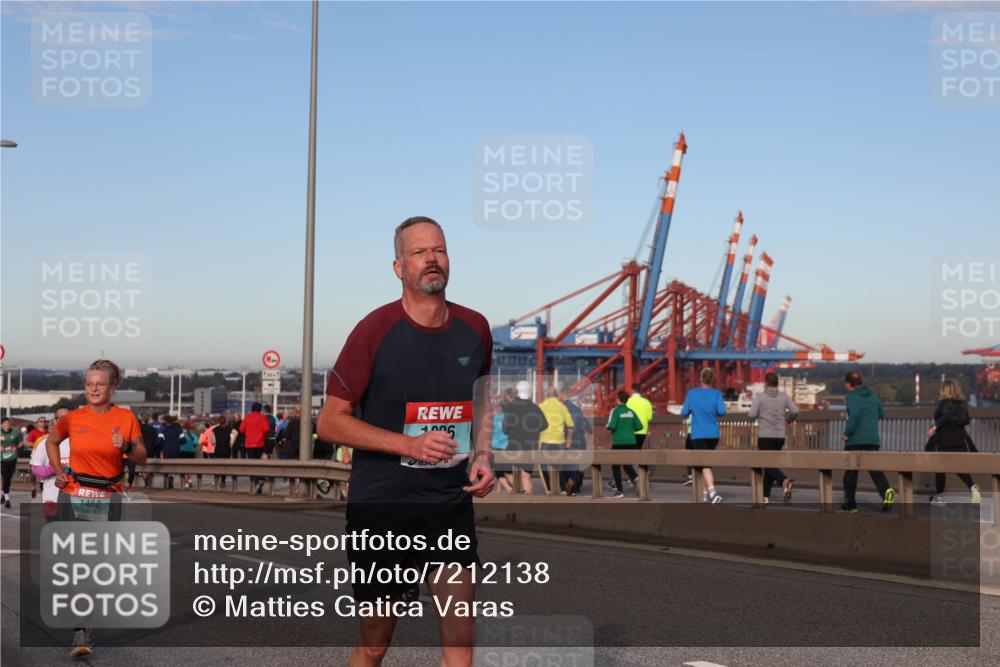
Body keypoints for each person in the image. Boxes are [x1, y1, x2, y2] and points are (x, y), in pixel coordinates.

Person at [316, 216, 494, 666]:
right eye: (419, 252)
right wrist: (407, 445)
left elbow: (482, 400)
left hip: (448, 503)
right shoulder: (374, 329)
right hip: (383, 507)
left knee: (461, 638)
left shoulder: (475, 327)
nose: (432, 259)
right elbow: (330, 423)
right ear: (399, 267)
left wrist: (484, 454)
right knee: (376, 642)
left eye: (439, 249)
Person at [47, 359, 146, 659]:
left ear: (112, 387)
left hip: (107, 497)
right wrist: (58, 471)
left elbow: (142, 457)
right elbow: (52, 442)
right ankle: (81, 628)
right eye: (89, 384)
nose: (93, 389)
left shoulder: (125, 418)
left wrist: (125, 446)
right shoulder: (73, 418)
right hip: (74, 494)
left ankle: (83, 619)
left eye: (99, 384)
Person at [840, 371, 894, 513]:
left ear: (848, 384)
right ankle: (886, 492)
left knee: (851, 473)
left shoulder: (851, 397)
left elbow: (854, 417)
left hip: (855, 440)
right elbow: (881, 414)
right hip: (872, 439)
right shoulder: (873, 395)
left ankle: (850, 505)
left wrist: (846, 434)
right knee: (874, 469)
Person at [926, 380, 981, 506]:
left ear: (944, 390)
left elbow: (945, 417)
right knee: (959, 468)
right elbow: (966, 420)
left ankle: (940, 498)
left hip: (945, 440)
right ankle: (973, 488)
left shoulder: (944, 404)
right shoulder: (962, 404)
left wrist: (934, 428)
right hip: (959, 439)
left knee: (940, 469)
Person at [747, 372, 798, 503]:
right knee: (771, 465)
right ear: (777, 383)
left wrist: (760, 415)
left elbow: (752, 415)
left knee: (767, 464)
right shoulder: (784, 397)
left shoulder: (760, 397)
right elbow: (795, 411)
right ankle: (765, 496)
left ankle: (783, 481)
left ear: (765, 383)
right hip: (780, 437)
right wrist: (788, 420)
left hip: (765, 436)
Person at [680, 367, 726, 504]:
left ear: (700, 379)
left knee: (704, 463)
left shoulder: (692, 393)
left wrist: (694, 410)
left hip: (698, 433)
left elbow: (683, 413)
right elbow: (722, 412)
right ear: (713, 380)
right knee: (706, 463)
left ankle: (712, 492)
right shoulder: (717, 394)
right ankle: (704, 494)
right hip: (713, 434)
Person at [503, 380, 548, 494]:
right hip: (531, 445)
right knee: (526, 474)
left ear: (517, 392)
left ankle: (519, 492)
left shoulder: (511, 406)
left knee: (506, 470)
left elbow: (505, 429)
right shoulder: (535, 408)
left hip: (514, 445)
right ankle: (527, 500)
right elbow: (545, 425)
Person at [29, 407, 71, 519]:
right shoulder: (45, 443)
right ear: (55, 420)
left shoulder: (79, 441)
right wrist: (55, 469)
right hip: (51, 496)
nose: (63, 420)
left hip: (75, 497)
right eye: (60, 418)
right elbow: (35, 469)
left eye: (67, 418)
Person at [606, 391, 644, 498]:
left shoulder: (615, 411)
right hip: (632, 442)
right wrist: (629, 429)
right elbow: (639, 426)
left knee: (616, 467)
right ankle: (635, 478)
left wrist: (609, 427)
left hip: (619, 443)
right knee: (627, 465)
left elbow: (611, 426)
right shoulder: (631, 411)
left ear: (618, 399)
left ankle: (619, 491)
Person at [537, 386, 574, 495]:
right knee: (560, 465)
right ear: (556, 394)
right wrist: (569, 439)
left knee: (542, 465)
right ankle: (563, 488)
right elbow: (571, 425)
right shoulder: (562, 407)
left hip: (545, 440)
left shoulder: (541, 406)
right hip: (559, 440)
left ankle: (548, 488)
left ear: (546, 395)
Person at [560, 388, 591, 495]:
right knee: (574, 465)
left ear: (563, 395)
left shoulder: (561, 408)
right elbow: (586, 428)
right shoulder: (578, 409)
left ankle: (565, 488)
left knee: (564, 465)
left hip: (565, 441)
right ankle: (574, 487)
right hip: (579, 441)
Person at [239, 403, 270, 494]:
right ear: (260, 409)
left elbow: (241, 429)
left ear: (252, 409)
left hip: (249, 445)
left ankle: (254, 483)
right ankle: (260, 480)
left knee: (252, 465)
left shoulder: (247, 417)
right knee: (259, 465)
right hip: (260, 444)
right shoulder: (262, 418)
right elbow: (266, 430)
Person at [491, 392, 513, 493]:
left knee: (498, 472)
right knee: (506, 471)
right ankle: (499, 492)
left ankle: (511, 488)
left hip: (496, 447)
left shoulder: (495, 419)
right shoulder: (510, 418)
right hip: (507, 447)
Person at [1, 416, 23, 509]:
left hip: (12, 458)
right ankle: (7, 500)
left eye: (9, 423)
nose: (8, 424)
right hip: (2, 459)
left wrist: (16, 447)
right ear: (1, 425)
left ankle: (4, 494)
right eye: (5, 423)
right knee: (5, 477)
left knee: (8, 479)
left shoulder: (16, 432)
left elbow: (21, 443)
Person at [626, 383, 654, 449]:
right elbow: (649, 418)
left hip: (629, 431)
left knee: (629, 451)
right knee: (638, 450)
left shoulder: (627, 402)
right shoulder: (647, 402)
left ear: (632, 390)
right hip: (642, 431)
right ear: (640, 390)